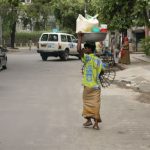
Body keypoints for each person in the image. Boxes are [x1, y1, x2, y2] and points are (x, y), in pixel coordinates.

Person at [77, 32, 104, 130]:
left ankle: (89, 120)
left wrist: (79, 37)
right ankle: (94, 123)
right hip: (96, 86)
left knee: (87, 103)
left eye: (86, 48)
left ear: (89, 49)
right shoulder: (99, 60)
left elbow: (78, 50)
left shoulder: (87, 58)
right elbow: (102, 72)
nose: (84, 49)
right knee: (96, 104)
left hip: (88, 86)